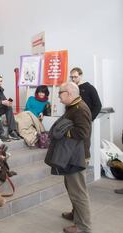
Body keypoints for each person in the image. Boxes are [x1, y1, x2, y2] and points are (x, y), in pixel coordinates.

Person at [57, 82, 92, 233]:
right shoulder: (74, 106)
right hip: (72, 155)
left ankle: (83, 226)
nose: (58, 97)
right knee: (72, 188)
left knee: (78, 192)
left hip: (77, 157)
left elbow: (83, 132)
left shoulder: (80, 109)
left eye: (60, 93)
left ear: (69, 93)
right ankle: (76, 215)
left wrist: (64, 132)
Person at [0, 74, 21, 141]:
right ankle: (0, 133)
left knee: (8, 107)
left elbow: (4, 99)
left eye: (0, 81)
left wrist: (8, 102)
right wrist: (2, 102)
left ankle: (12, 130)